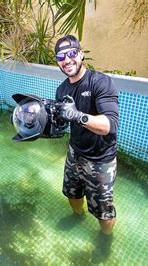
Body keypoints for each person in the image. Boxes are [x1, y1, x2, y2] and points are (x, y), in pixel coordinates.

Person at [54, 35, 119, 236]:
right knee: (71, 192)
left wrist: (77, 115)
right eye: (60, 56)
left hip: (100, 159)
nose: (67, 60)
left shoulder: (100, 82)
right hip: (75, 153)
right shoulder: (62, 89)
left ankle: (105, 238)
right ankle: (78, 216)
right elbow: (61, 123)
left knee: (103, 212)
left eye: (71, 53)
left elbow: (110, 125)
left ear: (81, 54)